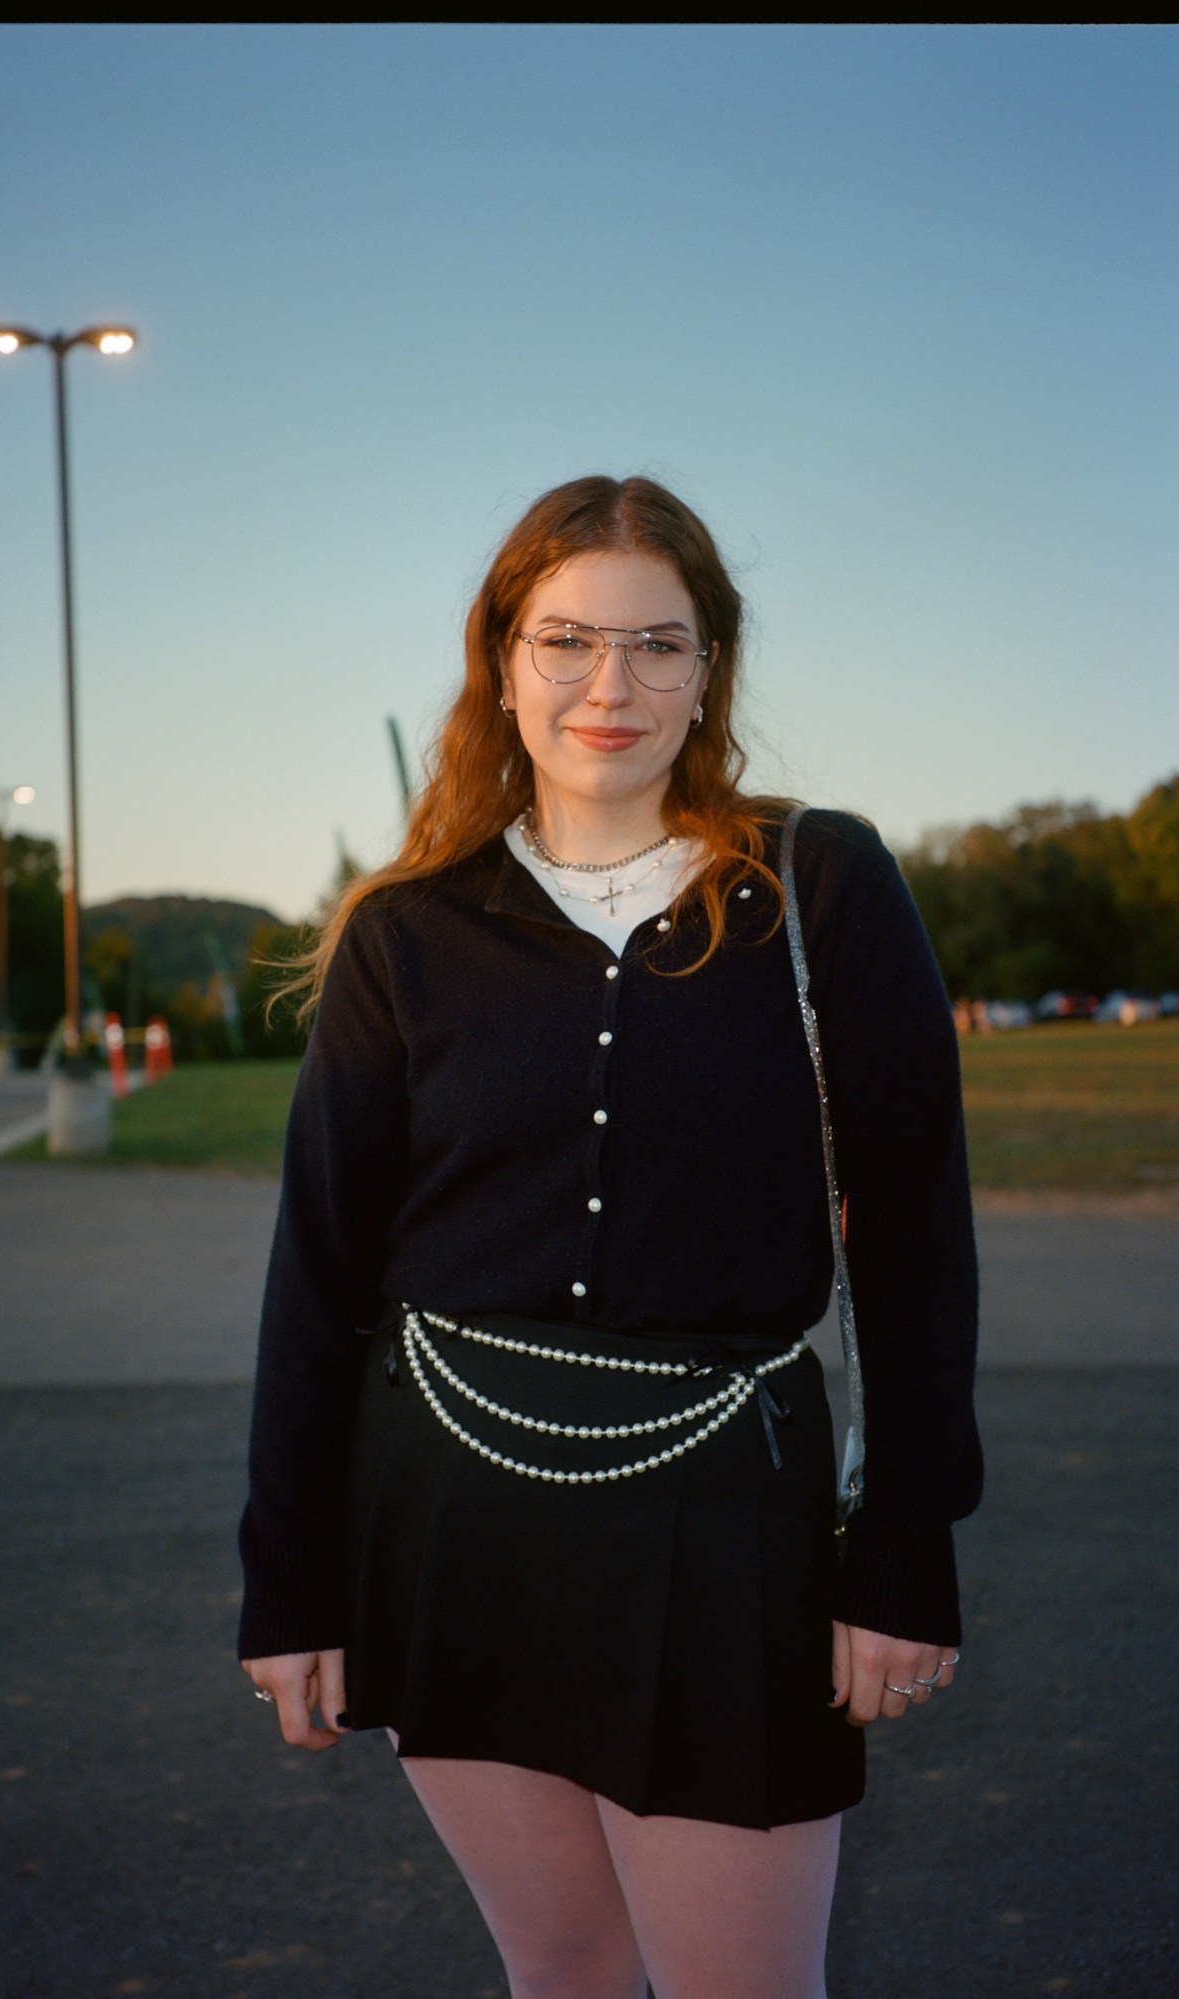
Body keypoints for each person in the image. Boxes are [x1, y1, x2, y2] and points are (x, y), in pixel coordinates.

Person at [237, 474, 982, 1999]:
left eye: (659, 643)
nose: (611, 685)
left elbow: (912, 1234)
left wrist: (905, 1545)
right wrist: (290, 1581)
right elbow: (319, 1274)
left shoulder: (818, 882)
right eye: (568, 641)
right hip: (444, 1522)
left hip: (725, 1524)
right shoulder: (406, 932)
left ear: (710, 669)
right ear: (502, 661)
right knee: (560, 1975)